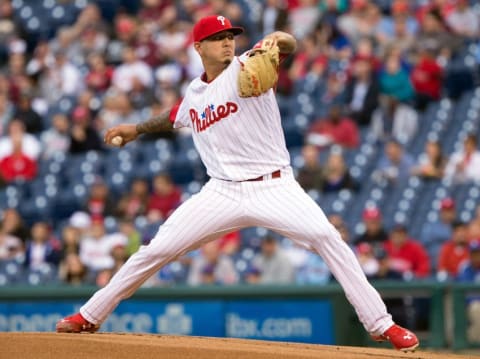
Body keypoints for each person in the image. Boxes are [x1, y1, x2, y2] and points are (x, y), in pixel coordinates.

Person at [56, 14, 419, 352]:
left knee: (327, 238)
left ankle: (380, 324)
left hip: (274, 186)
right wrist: (134, 129)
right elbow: (174, 116)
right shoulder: (195, 92)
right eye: (217, 39)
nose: (226, 43)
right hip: (221, 191)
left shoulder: (248, 64)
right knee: (156, 250)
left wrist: (277, 41)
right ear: (199, 48)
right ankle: (90, 315)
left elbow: (287, 44)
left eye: (229, 36)